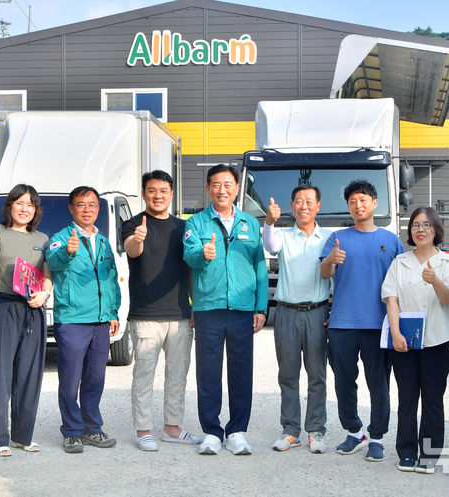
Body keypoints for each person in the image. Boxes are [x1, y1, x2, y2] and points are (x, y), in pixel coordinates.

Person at [183, 164, 268, 456]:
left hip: (243, 309)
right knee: (208, 372)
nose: (222, 190)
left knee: (241, 372)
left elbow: (259, 266)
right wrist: (202, 254)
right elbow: (189, 256)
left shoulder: (250, 223)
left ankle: (237, 431)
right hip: (209, 307)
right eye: (216, 185)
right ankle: (211, 432)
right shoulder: (196, 223)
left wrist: (260, 307)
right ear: (208, 188)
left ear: (236, 188)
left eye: (228, 184)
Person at [320, 179, 403, 461]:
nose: (358, 205)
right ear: (348, 206)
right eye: (353, 201)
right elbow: (323, 273)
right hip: (342, 324)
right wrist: (330, 259)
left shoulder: (390, 241)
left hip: (378, 326)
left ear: (375, 203)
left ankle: (377, 437)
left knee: (378, 382)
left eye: (363, 200)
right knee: (344, 381)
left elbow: (401, 283)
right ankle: (354, 431)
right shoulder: (338, 238)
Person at [121, 170, 201, 451]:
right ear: (143, 193)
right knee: (144, 374)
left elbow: (190, 269)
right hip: (146, 316)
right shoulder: (133, 224)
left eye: (163, 190)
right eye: (152, 190)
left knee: (178, 374)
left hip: (180, 314)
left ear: (171, 193)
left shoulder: (183, 228)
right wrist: (138, 239)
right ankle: (143, 430)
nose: (158, 196)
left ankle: (172, 427)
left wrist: (195, 306)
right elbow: (131, 250)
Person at [381, 207, 449, 473]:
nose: (420, 229)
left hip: (436, 341)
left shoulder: (447, 262)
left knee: (432, 398)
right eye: (416, 225)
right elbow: (391, 299)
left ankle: (429, 453)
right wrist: (395, 333)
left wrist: (435, 280)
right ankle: (406, 452)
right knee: (406, 398)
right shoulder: (399, 262)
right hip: (404, 341)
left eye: (426, 225)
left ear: (436, 230)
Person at [46, 186, 121, 454]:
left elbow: (111, 278)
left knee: (95, 378)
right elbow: (52, 262)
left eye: (92, 205)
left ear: (98, 209)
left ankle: (92, 428)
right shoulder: (60, 237)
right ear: (71, 208)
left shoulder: (103, 241)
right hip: (73, 319)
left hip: (100, 320)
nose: (87, 209)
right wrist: (67, 251)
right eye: (81, 204)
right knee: (70, 379)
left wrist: (112, 312)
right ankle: (71, 432)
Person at [0, 184, 52, 457]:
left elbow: (47, 274)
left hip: (33, 307)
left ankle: (23, 435)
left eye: (30, 205)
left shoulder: (43, 238)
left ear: (35, 210)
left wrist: (45, 293)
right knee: (0, 372)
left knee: (29, 373)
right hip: (4, 305)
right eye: (19, 203)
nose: (24, 209)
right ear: (10, 206)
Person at [264, 185, 331, 454]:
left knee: (317, 375)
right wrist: (269, 221)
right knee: (288, 375)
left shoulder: (327, 238)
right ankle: (291, 430)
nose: (304, 206)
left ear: (318, 206)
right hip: (287, 313)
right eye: (299, 201)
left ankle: (316, 431)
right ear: (292, 206)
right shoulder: (283, 236)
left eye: (309, 201)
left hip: (317, 312)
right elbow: (269, 245)